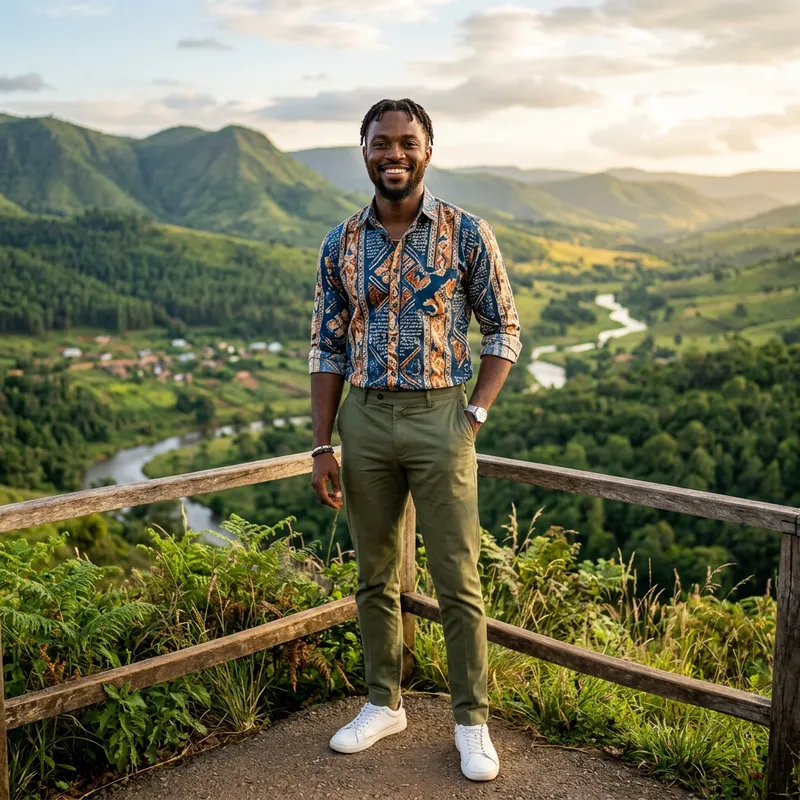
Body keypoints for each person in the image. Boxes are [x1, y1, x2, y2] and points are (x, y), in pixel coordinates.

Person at [308, 98, 521, 782]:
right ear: (363, 150)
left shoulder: (466, 234)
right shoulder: (339, 242)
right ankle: (383, 702)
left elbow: (505, 331)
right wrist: (322, 445)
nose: (392, 154)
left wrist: (475, 413)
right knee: (372, 573)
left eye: (406, 142)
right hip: (363, 421)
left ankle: (471, 722)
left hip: (440, 417)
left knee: (458, 579)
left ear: (428, 149)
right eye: (380, 143)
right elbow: (326, 347)